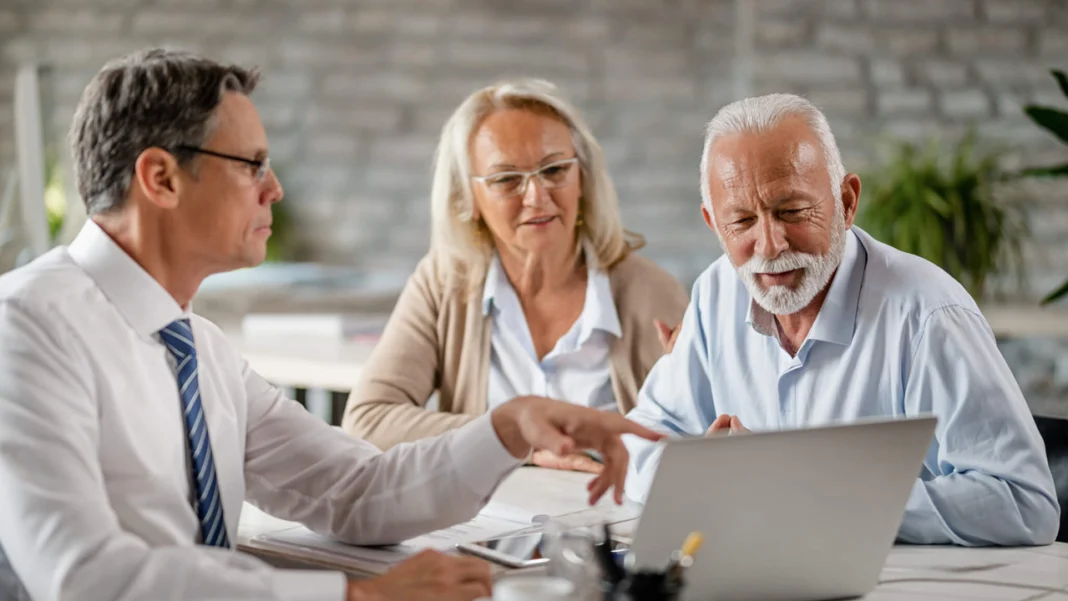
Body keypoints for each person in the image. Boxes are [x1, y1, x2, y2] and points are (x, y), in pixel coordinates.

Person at [0, 49, 665, 601]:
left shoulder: (199, 349)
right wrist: (353, 596)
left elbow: (359, 490)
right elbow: (83, 575)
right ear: (161, 177)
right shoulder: (25, 325)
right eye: (252, 164)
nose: (275, 189)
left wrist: (512, 425)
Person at [623, 93, 1060, 547]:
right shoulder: (717, 292)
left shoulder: (928, 313)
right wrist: (701, 479)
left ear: (847, 202)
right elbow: (642, 438)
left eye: (791, 211)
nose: (769, 245)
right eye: (742, 221)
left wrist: (812, 494)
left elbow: (1023, 502)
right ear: (713, 224)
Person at [341, 78, 688, 473]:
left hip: (610, 525)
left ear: (583, 180)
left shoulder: (651, 291)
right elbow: (368, 421)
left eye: (554, 170)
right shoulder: (444, 282)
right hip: (485, 527)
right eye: (506, 179)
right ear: (467, 198)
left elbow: (693, 439)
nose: (536, 197)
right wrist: (518, 438)